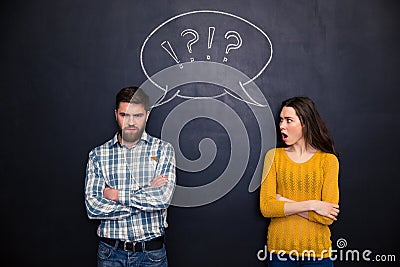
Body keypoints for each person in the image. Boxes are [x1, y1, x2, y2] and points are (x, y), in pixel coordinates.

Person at [85, 86, 176, 267]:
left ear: (147, 115)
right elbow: (93, 207)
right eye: (125, 115)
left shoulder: (163, 150)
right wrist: (146, 194)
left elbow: (162, 199)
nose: (131, 122)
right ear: (116, 114)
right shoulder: (98, 155)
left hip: (151, 255)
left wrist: (117, 196)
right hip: (111, 254)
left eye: (138, 115)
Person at [260, 96, 339, 267]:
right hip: (280, 253)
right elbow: (266, 207)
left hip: (318, 254)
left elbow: (328, 217)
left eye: (289, 120)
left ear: (305, 123)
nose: (282, 125)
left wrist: (283, 202)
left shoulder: (328, 161)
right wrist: (312, 204)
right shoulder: (273, 157)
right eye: (281, 120)